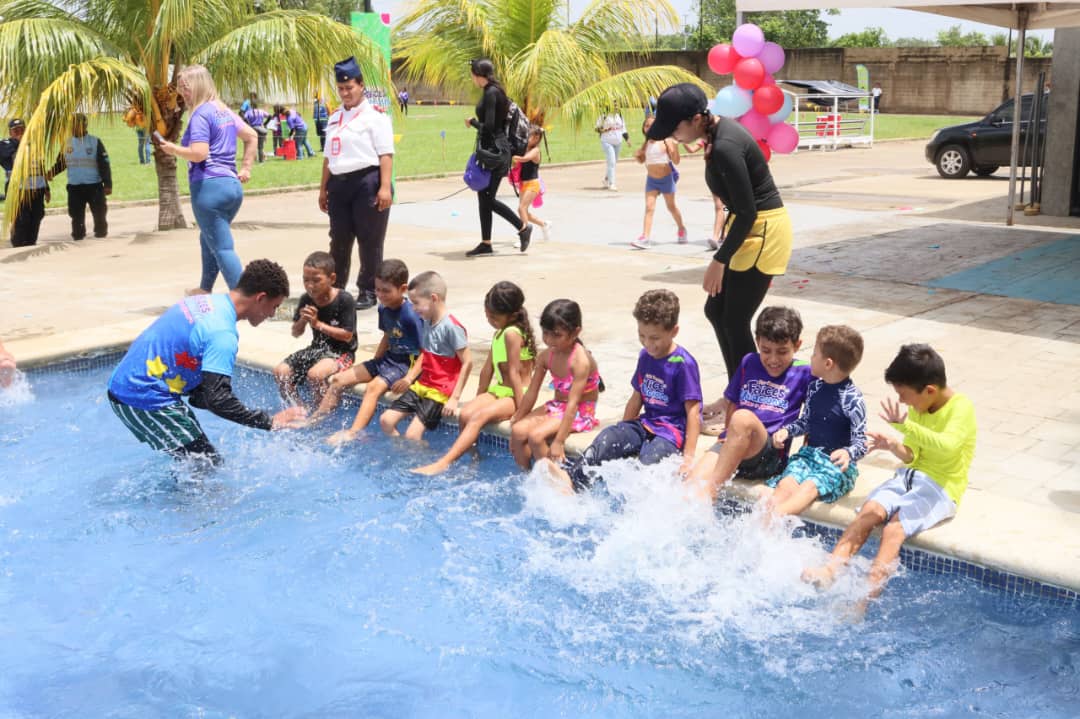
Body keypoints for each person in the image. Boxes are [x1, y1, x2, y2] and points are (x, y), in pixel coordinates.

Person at [647, 83, 793, 410]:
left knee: (734, 319)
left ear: (698, 118)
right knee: (717, 311)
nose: (673, 135)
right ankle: (737, 394)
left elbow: (748, 210)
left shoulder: (725, 144)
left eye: (675, 128)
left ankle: (749, 402)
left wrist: (719, 259)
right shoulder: (715, 136)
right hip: (747, 229)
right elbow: (737, 207)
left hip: (764, 232)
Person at [802, 344, 977, 604]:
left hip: (941, 488)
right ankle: (831, 569)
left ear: (929, 390)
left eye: (904, 395)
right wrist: (893, 445)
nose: (902, 401)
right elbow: (913, 455)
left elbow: (947, 445)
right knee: (869, 511)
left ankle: (863, 601)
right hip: (907, 477)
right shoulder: (921, 407)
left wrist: (906, 426)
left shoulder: (961, 409)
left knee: (894, 530)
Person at [106, 259, 306, 466]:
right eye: (274, 306)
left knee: (195, 464)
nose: (272, 314)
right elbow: (217, 399)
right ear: (261, 298)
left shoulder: (203, 302)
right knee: (207, 466)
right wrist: (269, 421)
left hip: (130, 385)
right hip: (141, 397)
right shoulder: (222, 334)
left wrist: (198, 393)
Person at [544, 289, 702, 493]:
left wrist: (688, 458)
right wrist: (624, 432)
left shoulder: (683, 364)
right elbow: (637, 397)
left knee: (648, 462)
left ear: (674, 331)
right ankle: (574, 482)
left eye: (655, 338)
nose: (648, 343)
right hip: (646, 423)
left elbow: (693, 412)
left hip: (671, 433)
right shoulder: (645, 356)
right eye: (642, 336)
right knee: (610, 437)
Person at [684, 306, 811, 503]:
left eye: (782, 351)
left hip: (768, 454)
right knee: (690, 485)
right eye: (766, 350)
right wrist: (726, 441)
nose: (773, 359)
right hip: (734, 445)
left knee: (742, 418)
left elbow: (812, 419)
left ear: (797, 345)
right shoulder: (749, 362)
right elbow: (733, 404)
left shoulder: (804, 373)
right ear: (757, 341)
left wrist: (805, 464)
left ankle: (712, 491)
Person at [413, 281, 535, 475]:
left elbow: (514, 373)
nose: (490, 320)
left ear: (511, 315)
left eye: (494, 317)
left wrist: (522, 413)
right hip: (501, 390)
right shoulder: (499, 332)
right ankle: (474, 460)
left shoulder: (512, 334)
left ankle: (444, 463)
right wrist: (479, 397)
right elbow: (487, 370)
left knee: (478, 417)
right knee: (466, 413)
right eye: (488, 315)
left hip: (518, 393)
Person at [156, 65, 257, 294]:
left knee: (223, 248)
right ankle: (205, 288)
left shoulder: (201, 114)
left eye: (186, 88)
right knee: (208, 237)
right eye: (181, 88)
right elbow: (251, 136)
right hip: (231, 186)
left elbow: (199, 153)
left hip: (208, 188)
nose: (182, 93)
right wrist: (246, 168)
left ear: (199, 85)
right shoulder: (224, 110)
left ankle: (245, 299)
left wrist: (173, 150)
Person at [763, 325, 867, 518]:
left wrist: (847, 452)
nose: (811, 358)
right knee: (786, 483)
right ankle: (766, 526)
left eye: (814, 354)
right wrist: (788, 431)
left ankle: (775, 517)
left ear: (828, 364)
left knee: (809, 488)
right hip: (809, 457)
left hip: (837, 466)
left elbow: (861, 443)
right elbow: (807, 422)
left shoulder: (852, 399)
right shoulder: (815, 388)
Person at [320, 56, 395, 312]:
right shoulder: (334, 118)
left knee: (369, 239)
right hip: (339, 185)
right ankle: (337, 286)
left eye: (349, 87)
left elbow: (386, 154)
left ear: (361, 85)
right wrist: (323, 188)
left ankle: (368, 289)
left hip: (367, 181)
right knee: (338, 238)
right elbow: (328, 157)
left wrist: (385, 187)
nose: (345, 93)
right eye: (341, 89)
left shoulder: (375, 117)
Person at [321, 259, 423, 439]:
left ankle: (354, 432)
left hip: (405, 364)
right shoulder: (383, 308)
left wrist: (409, 378)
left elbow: (426, 351)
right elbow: (387, 336)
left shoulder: (411, 315)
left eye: (386, 291)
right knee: (337, 380)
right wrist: (374, 363)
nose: (381, 295)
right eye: (377, 289)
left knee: (373, 388)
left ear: (403, 289)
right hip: (388, 360)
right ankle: (318, 420)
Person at [509, 299, 602, 470]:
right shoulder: (546, 356)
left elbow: (573, 405)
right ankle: (526, 477)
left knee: (536, 437)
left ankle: (555, 484)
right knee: (517, 432)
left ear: (575, 332)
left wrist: (559, 441)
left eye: (556, 335)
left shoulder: (579, 361)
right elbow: (531, 392)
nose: (549, 340)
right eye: (546, 333)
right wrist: (519, 416)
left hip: (580, 410)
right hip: (557, 406)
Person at [379, 271, 471, 441]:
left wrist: (455, 398)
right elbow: (426, 355)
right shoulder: (427, 321)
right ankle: (404, 455)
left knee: (412, 434)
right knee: (386, 420)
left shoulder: (452, 327)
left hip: (440, 390)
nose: (413, 308)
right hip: (422, 384)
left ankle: (419, 462)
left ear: (433, 298)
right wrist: (409, 378)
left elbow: (467, 362)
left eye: (416, 303)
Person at [463, 58, 532, 257]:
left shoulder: (492, 93)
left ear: (478, 75)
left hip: (496, 152)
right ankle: (486, 242)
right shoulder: (491, 91)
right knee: (483, 196)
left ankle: (522, 227)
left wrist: (473, 123)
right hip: (491, 150)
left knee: (488, 199)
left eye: (472, 74)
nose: (471, 77)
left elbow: (492, 126)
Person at [273, 251, 357, 410]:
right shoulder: (306, 299)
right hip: (317, 349)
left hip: (342, 353)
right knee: (280, 371)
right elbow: (296, 333)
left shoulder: (344, 299)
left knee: (315, 375)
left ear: (332, 278)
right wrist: (303, 320)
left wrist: (317, 324)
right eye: (306, 280)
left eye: (316, 280)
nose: (310, 285)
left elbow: (347, 336)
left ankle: (321, 415)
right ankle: (298, 410)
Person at [46, 113, 112, 241]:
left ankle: (101, 235)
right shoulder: (67, 143)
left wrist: (108, 184)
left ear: (85, 125)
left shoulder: (95, 141)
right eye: (73, 125)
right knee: (76, 216)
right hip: (75, 187)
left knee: (99, 214)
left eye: (79, 124)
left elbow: (104, 164)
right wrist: (51, 173)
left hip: (94, 186)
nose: (76, 127)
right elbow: (61, 163)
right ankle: (78, 236)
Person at [631, 115, 687, 250]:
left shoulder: (667, 140)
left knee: (671, 207)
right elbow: (642, 160)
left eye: (651, 125)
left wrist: (672, 148)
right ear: (643, 129)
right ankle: (645, 237)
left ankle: (681, 228)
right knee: (649, 208)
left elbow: (677, 161)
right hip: (651, 180)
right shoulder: (647, 142)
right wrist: (638, 155)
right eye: (646, 125)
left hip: (666, 179)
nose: (648, 127)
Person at [510, 126, 552, 242]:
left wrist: (513, 157)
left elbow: (525, 159)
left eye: (532, 136)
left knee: (521, 209)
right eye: (529, 135)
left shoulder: (535, 150)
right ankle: (544, 224)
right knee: (525, 212)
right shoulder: (525, 147)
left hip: (533, 184)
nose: (529, 138)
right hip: (524, 184)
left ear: (537, 138)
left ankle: (524, 237)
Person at [595, 108, 626, 191]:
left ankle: (606, 179)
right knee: (612, 162)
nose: (616, 106)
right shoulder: (604, 116)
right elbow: (596, 128)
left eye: (617, 104)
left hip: (618, 142)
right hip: (607, 142)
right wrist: (605, 129)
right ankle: (612, 184)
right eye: (614, 104)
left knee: (613, 162)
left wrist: (627, 139)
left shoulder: (619, 115)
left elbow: (623, 129)